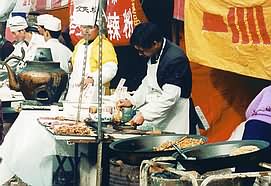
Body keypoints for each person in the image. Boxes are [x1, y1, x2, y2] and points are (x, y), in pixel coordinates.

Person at [117, 22, 195, 134]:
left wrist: (145, 114)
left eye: (142, 50)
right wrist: (132, 101)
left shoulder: (175, 59)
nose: (140, 54)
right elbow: (149, 81)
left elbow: (170, 97)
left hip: (177, 114)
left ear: (155, 44)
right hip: (160, 111)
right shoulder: (155, 52)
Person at [65, 19, 118, 103]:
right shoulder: (79, 44)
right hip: (75, 92)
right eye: (83, 27)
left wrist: (93, 78)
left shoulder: (104, 45)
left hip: (94, 94)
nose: (86, 31)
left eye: (90, 27)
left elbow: (111, 68)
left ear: (98, 28)